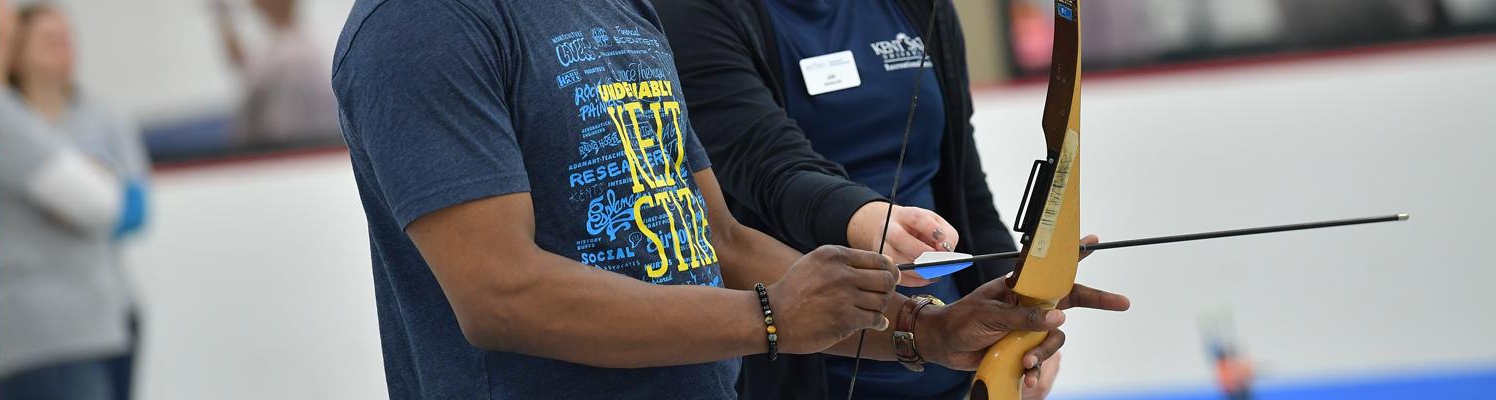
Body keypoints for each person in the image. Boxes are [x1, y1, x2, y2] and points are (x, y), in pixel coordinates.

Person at [330, 0, 1128, 398]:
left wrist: (923, 331)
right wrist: (771, 317)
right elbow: (500, 294)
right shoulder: (422, 24)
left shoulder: (620, 7)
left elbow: (719, 238)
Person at [653, 0, 1099, 398]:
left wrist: (1022, 318)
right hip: (802, 371)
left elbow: (964, 186)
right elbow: (766, 163)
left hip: (954, 361)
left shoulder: (920, 8)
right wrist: (864, 219)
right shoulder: (692, 13)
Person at [0, 3, 150, 399]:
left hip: (111, 309)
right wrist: (88, 192)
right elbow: (99, 202)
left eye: (68, 40)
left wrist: (72, 204)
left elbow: (133, 210)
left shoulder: (102, 118)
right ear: (18, 52)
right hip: (44, 329)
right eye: (50, 41)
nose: (64, 50)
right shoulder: (11, 119)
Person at [213, 0, 340, 146]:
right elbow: (244, 62)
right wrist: (223, 18)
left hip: (284, 157)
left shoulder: (292, 56)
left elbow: (283, 135)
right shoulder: (281, 45)